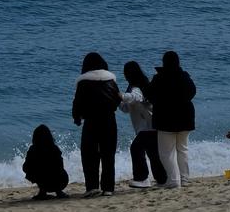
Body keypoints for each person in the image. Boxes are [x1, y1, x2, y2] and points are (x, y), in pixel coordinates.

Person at [72, 52, 121, 197]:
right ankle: (108, 188)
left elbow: (77, 103)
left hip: (91, 122)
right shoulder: (111, 79)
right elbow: (117, 100)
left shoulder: (83, 81)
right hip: (109, 120)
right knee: (108, 154)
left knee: (89, 154)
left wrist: (77, 118)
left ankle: (92, 187)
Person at [148, 50, 196, 189]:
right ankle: (185, 179)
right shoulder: (185, 76)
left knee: (166, 152)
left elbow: (151, 96)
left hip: (165, 119)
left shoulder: (159, 78)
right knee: (183, 149)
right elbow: (192, 91)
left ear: (164, 62)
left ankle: (173, 180)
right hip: (186, 117)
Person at [120, 60, 166, 188]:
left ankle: (142, 178)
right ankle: (162, 179)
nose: (124, 75)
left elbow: (136, 97)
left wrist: (121, 96)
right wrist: (119, 100)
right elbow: (126, 109)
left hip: (148, 126)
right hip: (149, 126)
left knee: (136, 148)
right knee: (153, 154)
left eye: (125, 73)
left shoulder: (138, 86)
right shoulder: (139, 84)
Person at [22, 124, 69, 200]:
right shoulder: (54, 148)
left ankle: (42, 192)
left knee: (34, 169)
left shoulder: (33, 149)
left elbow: (25, 167)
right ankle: (58, 191)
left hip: (44, 183)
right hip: (61, 182)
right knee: (56, 169)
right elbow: (60, 166)